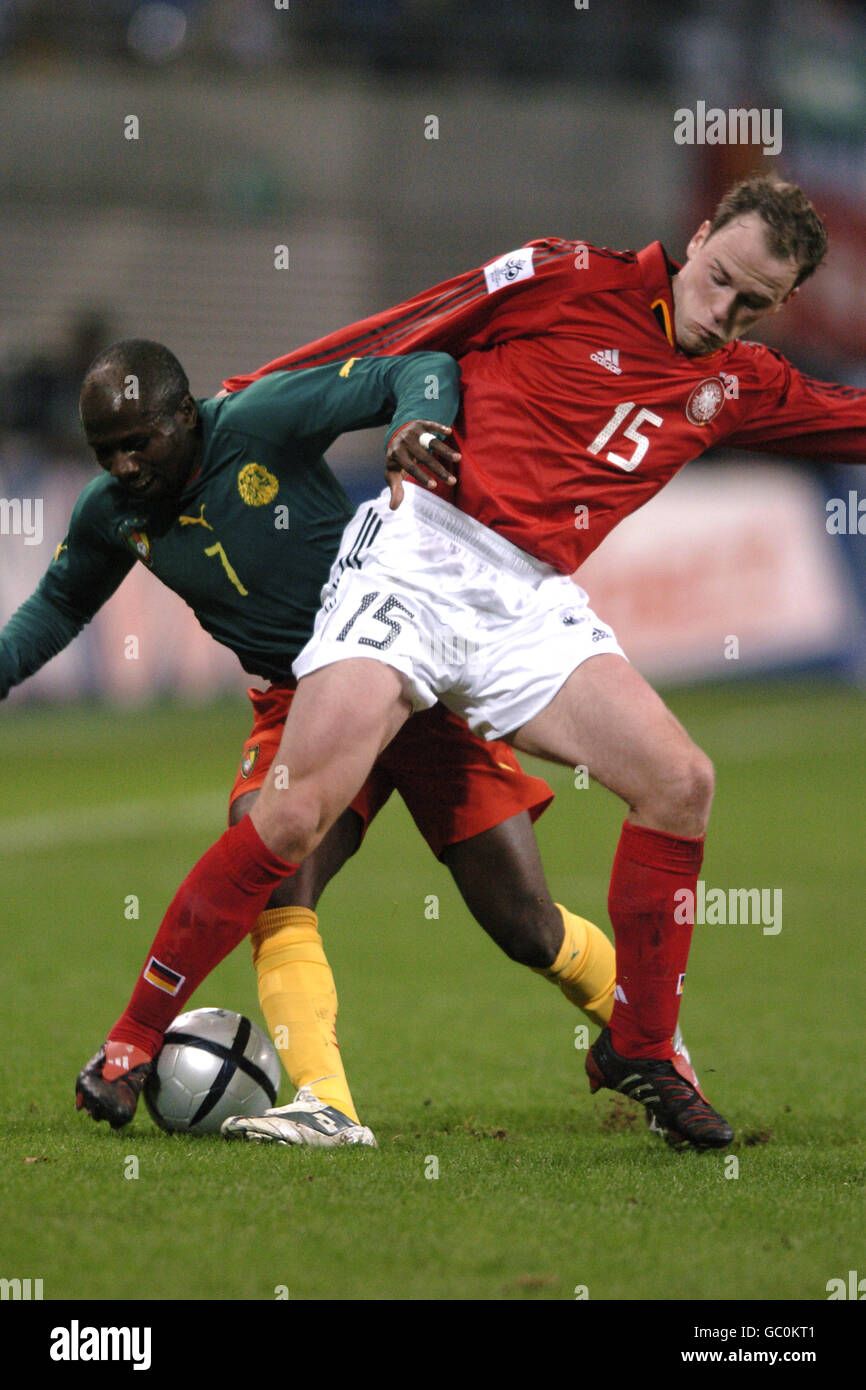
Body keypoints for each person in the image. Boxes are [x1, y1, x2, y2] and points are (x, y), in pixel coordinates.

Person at [79, 172, 852, 1151]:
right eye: (719, 280)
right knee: (293, 811)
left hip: (526, 600)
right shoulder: (565, 274)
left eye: (754, 303)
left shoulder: (742, 384)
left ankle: (641, 1048)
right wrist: (240, 404)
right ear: (696, 238)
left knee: (678, 781)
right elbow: (411, 326)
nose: (723, 311)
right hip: (421, 551)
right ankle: (128, 1041)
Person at [1, 339, 658, 1148]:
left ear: (186, 414)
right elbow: (60, 604)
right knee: (273, 878)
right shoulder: (112, 513)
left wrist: (415, 424)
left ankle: (657, 1045)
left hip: (408, 676)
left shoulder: (261, 420)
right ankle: (326, 1103)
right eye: (108, 451)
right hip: (296, 702)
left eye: (142, 441)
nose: (126, 465)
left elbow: (419, 370)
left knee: (526, 926)